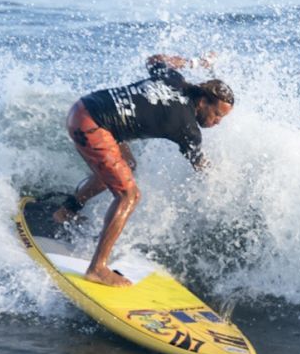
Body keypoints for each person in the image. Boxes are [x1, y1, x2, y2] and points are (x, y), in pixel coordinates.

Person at [52, 54, 235, 287]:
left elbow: (154, 60)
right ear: (202, 102)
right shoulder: (187, 127)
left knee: (125, 167)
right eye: (217, 114)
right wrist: (222, 182)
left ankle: (68, 210)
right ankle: (97, 269)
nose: (218, 122)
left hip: (84, 107)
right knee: (129, 195)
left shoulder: (175, 81)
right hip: (92, 126)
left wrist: (196, 63)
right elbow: (199, 165)